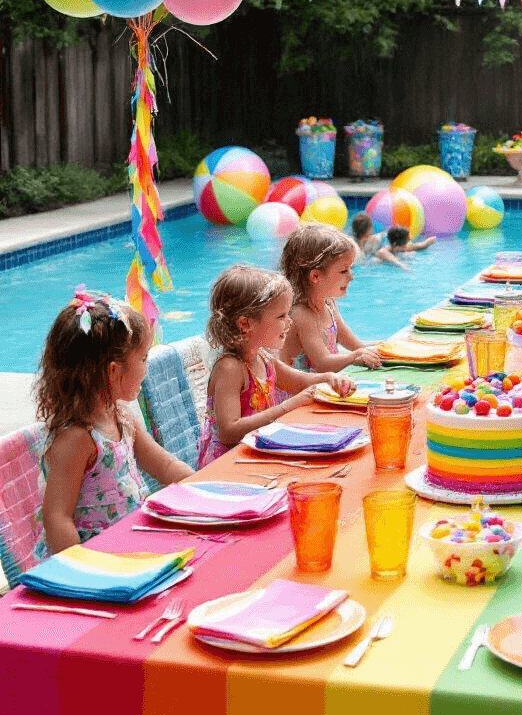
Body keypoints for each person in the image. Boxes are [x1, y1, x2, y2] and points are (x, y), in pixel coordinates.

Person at [32, 288, 193, 558]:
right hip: (96, 561)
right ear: (113, 371)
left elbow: (164, 465)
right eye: (142, 359)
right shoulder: (77, 437)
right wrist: (84, 570)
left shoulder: (122, 415)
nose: (146, 367)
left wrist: (202, 487)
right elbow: (57, 519)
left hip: (126, 546)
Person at [197, 265, 356, 467]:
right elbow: (229, 432)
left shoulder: (264, 358)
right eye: (281, 316)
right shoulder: (230, 368)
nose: (289, 322)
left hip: (257, 453)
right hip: (227, 464)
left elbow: (299, 382)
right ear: (245, 324)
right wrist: (288, 406)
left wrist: (329, 379)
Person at [279, 224, 383, 372]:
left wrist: (389, 347)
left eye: (350, 269)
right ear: (315, 276)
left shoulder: (328, 304)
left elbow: (356, 345)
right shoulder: (301, 315)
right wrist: (354, 357)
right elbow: (323, 362)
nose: (351, 277)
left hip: (324, 387)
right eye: (343, 270)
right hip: (302, 393)